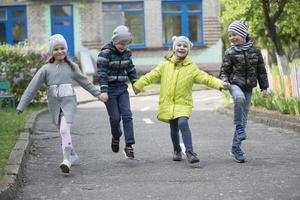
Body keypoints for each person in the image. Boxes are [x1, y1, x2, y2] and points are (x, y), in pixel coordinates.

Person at [133, 36, 230, 165]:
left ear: (188, 50)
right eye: (179, 45)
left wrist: (220, 84)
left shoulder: (191, 68)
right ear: (174, 48)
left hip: (183, 103)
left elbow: (206, 78)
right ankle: (177, 150)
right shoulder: (164, 65)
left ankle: (189, 152)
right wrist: (138, 85)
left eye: (185, 46)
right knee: (174, 130)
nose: (182, 48)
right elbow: (150, 76)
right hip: (168, 103)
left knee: (183, 123)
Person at [17, 34, 103, 173]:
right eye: (56, 49)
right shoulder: (46, 69)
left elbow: (85, 83)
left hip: (69, 104)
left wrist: (99, 95)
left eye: (62, 48)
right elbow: (32, 87)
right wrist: (22, 105)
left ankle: (66, 160)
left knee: (64, 130)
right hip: (54, 106)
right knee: (63, 132)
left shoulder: (72, 66)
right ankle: (73, 155)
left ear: (66, 49)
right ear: (52, 51)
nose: (59, 51)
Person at [219, 20, 269, 163]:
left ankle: (236, 148)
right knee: (239, 99)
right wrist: (225, 80)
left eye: (235, 34)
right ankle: (239, 127)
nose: (232, 38)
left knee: (244, 118)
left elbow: (261, 71)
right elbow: (224, 71)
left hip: (249, 87)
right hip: (234, 84)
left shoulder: (255, 51)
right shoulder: (230, 52)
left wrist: (264, 87)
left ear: (243, 34)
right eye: (230, 35)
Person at [97, 25, 137, 159]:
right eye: (121, 43)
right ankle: (116, 136)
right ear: (114, 41)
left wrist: (135, 84)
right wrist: (103, 91)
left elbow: (131, 69)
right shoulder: (105, 53)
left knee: (127, 115)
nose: (123, 46)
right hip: (110, 89)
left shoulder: (127, 53)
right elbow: (102, 74)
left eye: (126, 43)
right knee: (115, 118)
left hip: (122, 88)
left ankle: (129, 145)